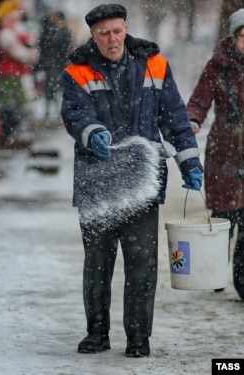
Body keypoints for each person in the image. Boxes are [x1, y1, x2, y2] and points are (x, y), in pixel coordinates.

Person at [61, 3, 203, 357]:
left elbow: (175, 119)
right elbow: (74, 112)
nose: (113, 39)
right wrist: (91, 132)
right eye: (105, 33)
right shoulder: (77, 70)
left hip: (142, 182)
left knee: (142, 267)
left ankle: (139, 339)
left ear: (126, 29)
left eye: (118, 31)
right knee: (97, 266)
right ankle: (97, 334)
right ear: (93, 35)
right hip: (98, 183)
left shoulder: (155, 64)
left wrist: (190, 163)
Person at [186, 8, 244, 300]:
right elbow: (199, 99)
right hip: (224, 148)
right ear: (234, 37)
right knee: (224, 217)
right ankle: (216, 271)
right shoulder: (217, 66)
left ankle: (243, 282)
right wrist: (193, 121)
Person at [0, 0, 39, 147]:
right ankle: (9, 135)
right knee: (9, 105)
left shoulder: (17, 29)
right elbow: (15, 51)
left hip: (18, 73)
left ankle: (14, 133)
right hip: (8, 74)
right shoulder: (6, 33)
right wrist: (28, 54)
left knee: (18, 104)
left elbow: (31, 39)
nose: (19, 15)